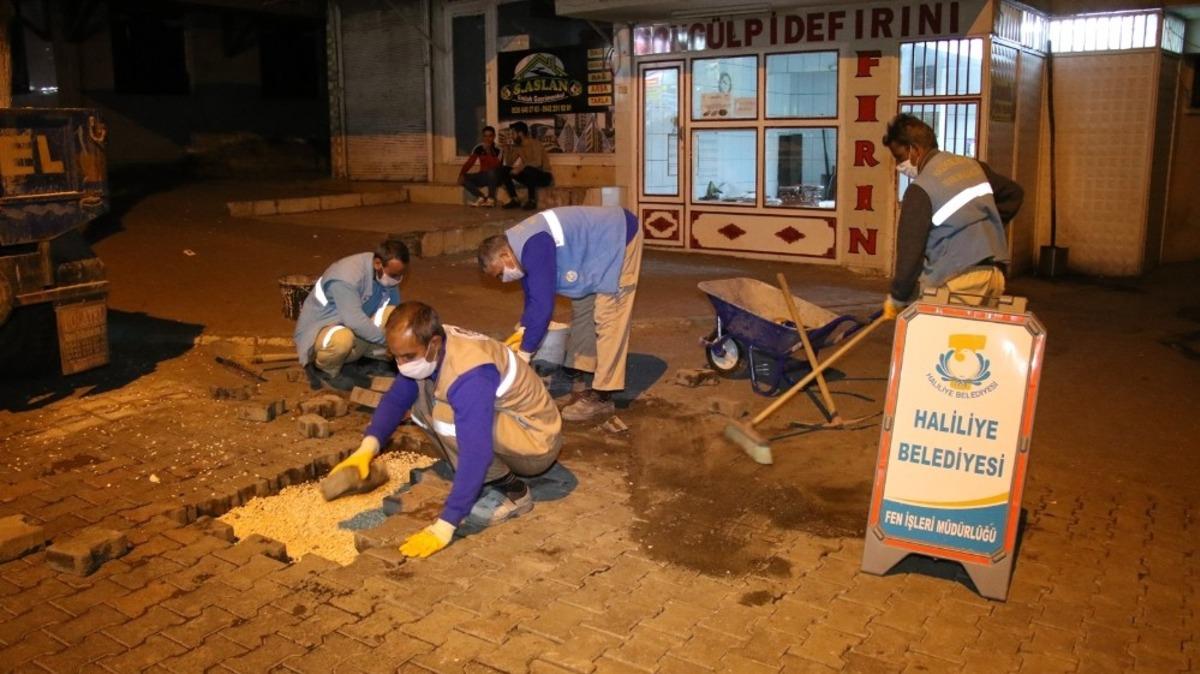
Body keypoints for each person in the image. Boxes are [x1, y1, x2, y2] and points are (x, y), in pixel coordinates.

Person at [328, 302, 563, 558]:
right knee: (420, 401)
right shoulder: (431, 343)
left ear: (434, 343)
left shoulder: (470, 374)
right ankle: (473, 477)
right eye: (395, 356)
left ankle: (514, 491)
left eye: (408, 356)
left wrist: (445, 525)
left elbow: (476, 453)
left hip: (535, 439)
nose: (401, 363)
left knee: (449, 419)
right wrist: (367, 448)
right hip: (508, 424)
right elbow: (397, 397)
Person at [476, 206, 642, 422]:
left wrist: (525, 353)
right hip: (594, 249)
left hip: (619, 236)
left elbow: (544, 307)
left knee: (609, 315)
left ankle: (603, 395)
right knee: (583, 305)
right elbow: (532, 300)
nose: (503, 279)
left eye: (499, 273)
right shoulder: (518, 246)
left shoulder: (534, 245)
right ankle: (583, 373)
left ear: (505, 254)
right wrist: (521, 334)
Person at [881, 113, 1023, 318]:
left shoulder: (921, 190)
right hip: (994, 276)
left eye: (899, 157)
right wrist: (986, 228)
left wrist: (897, 298)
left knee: (942, 346)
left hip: (957, 285)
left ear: (914, 150)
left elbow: (910, 254)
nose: (899, 165)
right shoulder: (974, 167)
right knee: (975, 345)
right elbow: (1014, 193)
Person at [293, 240, 409, 390]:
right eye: (394, 275)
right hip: (323, 330)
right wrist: (392, 343)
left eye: (400, 275)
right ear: (378, 264)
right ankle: (326, 371)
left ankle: (361, 362)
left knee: (393, 318)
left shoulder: (384, 271)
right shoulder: (346, 277)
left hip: (351, 327)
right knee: (342, 340)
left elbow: (395, 312)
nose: (397, 279)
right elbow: (355, 322)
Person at [500, 121, 553, 211]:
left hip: (544, 176)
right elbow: (509, 163)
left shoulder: (535, 143)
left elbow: (538, 163)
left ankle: (532, 201)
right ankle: (514, 199)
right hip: (529, 176)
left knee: (529, 169)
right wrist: (507, 150)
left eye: (513, 133)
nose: (512, 136)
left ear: (520, 133)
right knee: (504, 170)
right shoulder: (518, 146)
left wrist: (521, 167)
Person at [458, 126, 504, 207]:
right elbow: (470, 162)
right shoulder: (478, 147)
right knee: (463, 178)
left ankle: (491, 199)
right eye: (485, 136)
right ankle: (481, 197)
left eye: (490, 136)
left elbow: (496, 166)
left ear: (494, 137)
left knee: (491, 172)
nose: (487, 139)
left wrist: (488, 151)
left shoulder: (498, 149)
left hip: (496, 177)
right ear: (482, 137)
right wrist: (461, 174)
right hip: (483, 175)